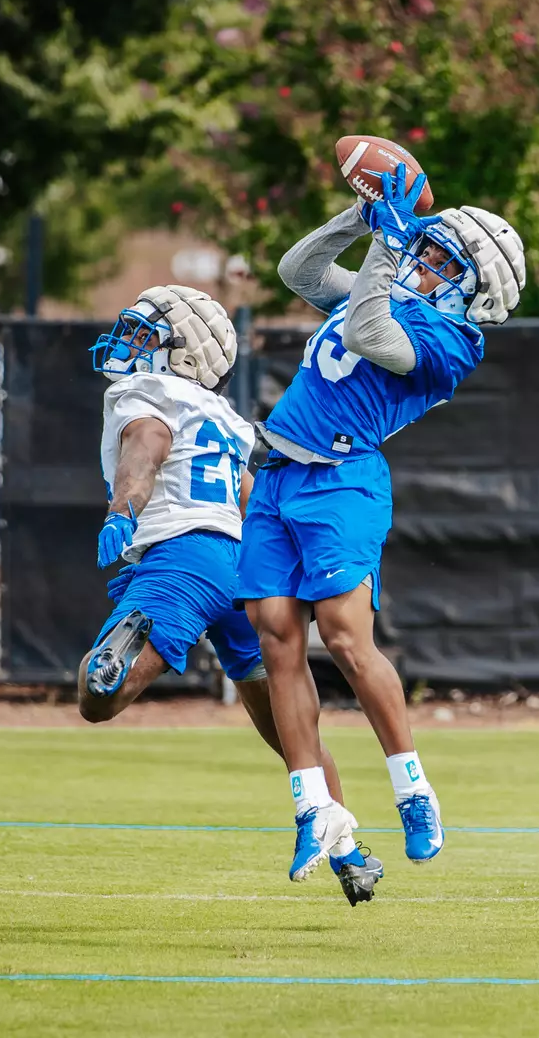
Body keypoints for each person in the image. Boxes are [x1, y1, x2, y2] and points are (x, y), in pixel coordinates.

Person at [236, 168, 527, 882]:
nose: (424, 262)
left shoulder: (452, 341)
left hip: (341, 482)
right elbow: (298, 269)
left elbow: (368, 329)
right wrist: (362, 217)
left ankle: (412, 789)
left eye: (442, 261)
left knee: (343, 637)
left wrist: (390, 244)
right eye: (425, 250)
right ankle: (314, 810)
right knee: (275, 634)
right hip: (278, 476)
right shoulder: (388, 278)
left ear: (472, 288)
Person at [79, 284, 383, 905]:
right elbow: (252, 492)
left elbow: (146, 448)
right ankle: (348, 848)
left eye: (146, 335)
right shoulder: (226, 417)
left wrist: (122, 510)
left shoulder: (146, 394)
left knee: (95, 698)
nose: (130, 342)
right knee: (286, 725)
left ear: (183, 354)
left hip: (180, 557)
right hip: (242, 564)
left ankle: (123, 644)